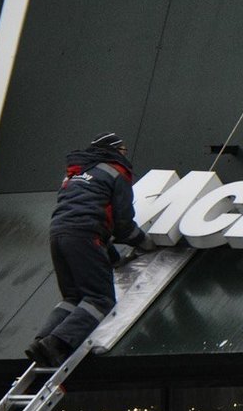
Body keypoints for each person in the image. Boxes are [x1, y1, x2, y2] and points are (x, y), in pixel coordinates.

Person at [26, 132, 155, 367]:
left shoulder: (75, 174)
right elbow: (122, 223)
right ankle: (57, 344)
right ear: (115, 150)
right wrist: (145, 242)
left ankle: (41, 341)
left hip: (58, 235)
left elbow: (88, 214)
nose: (126, 154)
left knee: (73, 297)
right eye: (123, 150)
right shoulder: (118, 172)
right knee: (100, 299)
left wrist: (114, 259)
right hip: (86, 236)